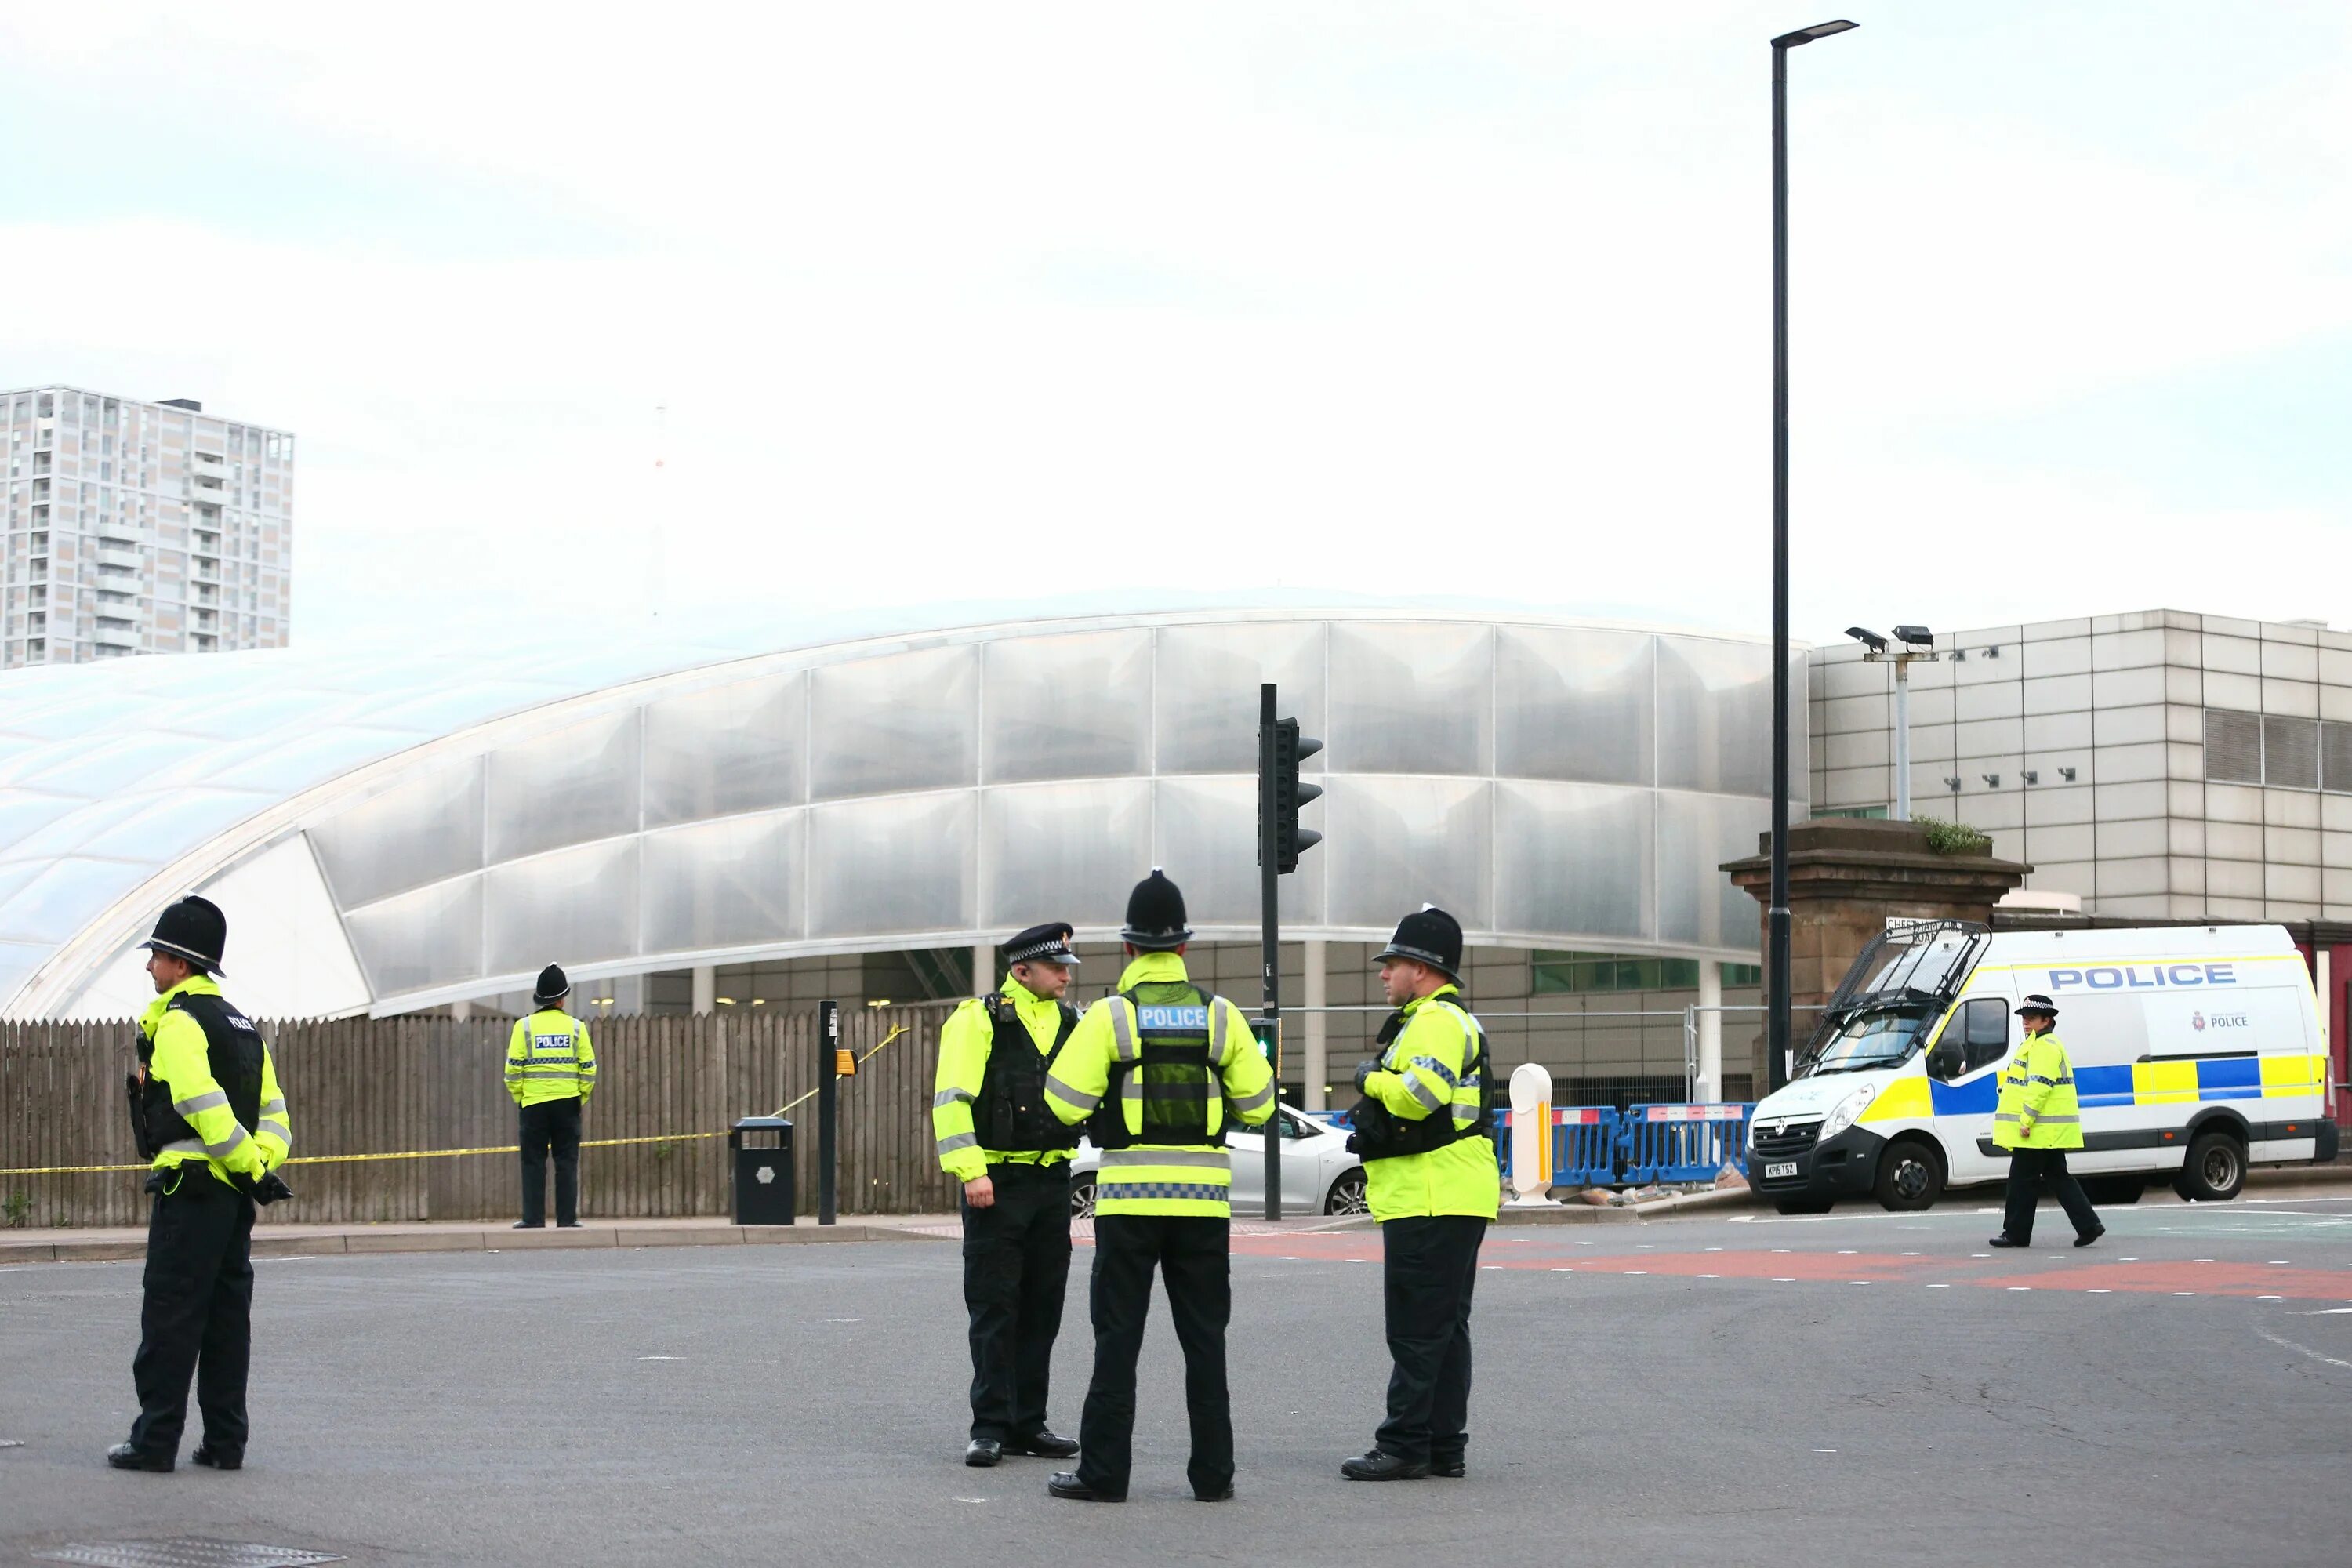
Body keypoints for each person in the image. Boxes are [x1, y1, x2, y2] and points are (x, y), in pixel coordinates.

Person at [1038, 870, 1276, 1504]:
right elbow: (1260, 1103)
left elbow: (1062, 1103)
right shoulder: (1220, 1016)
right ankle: (1214, 1478)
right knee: (1205, 1343)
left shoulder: (1111, 1017)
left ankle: (1104, 1475)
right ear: (1184, 948)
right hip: (1203, 1207)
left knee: (1118, 1341)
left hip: (1129, 1205)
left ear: (1128, 948)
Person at [108, 895, 294, 1473]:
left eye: (157, 956)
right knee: (225, 1322)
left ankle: (154, 1442)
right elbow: (276, 1115)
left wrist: (243, 1163)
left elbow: (199, 1104)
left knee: (170, 1317)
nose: (149, 968)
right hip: (237, 1199)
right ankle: (224, 1444)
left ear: (182, 965)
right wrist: (258, 1167)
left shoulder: (181, 1022)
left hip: (189, 1192)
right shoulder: (244, 1027)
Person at [1338, 906, 1498, 1482]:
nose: (1384, 974)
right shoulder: (1450, 1020)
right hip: (1454, 1190)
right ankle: (1442, 1445)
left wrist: (1367, 1078)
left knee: (1414, 1328)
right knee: (1445, 1328)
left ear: (1424, 970)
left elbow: (1418, 1095)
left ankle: (1404, 1444)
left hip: (1430, 1194)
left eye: (1395, 963)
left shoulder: (1433, 1020)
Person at [932, 922, 1087, 1468]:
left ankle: (1029, 1423)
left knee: (1043, 1308)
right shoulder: (978, 1019)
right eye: (1057, 968)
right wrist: (971, 1171)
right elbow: (952, 1100)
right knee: (996, 1308)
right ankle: (991, 1424)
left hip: (1051, 1182)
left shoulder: (1073, 1021)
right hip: (996, 1184)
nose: (1066, 977)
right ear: (1022, 970)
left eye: (1068, 968)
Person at [1989, 993, 2103, 1250]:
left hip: (2038, 1130)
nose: (2026, 1022)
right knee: (2058, 1177)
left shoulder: (2044, 1047)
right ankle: (2089, 1225)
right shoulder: (2037, 1044)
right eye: (2024, 1018)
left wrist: (2026, 1120)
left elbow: (2039, 1087)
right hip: (2046, 1131)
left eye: (2032, 1018)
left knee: (2020, 1181)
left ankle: (2016, 1233)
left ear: (2047, 1020)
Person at [506, 964, 598, 1229]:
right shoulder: (577, 1028)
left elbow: (512, 1070)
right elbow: (589, 1069)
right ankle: (567, 1220)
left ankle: (532, 1219)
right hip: (568, 1104)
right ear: (561, 999)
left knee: (533, 1162)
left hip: (533, 1104)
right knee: (566, 1162)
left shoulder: (523, 1028)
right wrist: (580, 1097)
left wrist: (521, 1097)